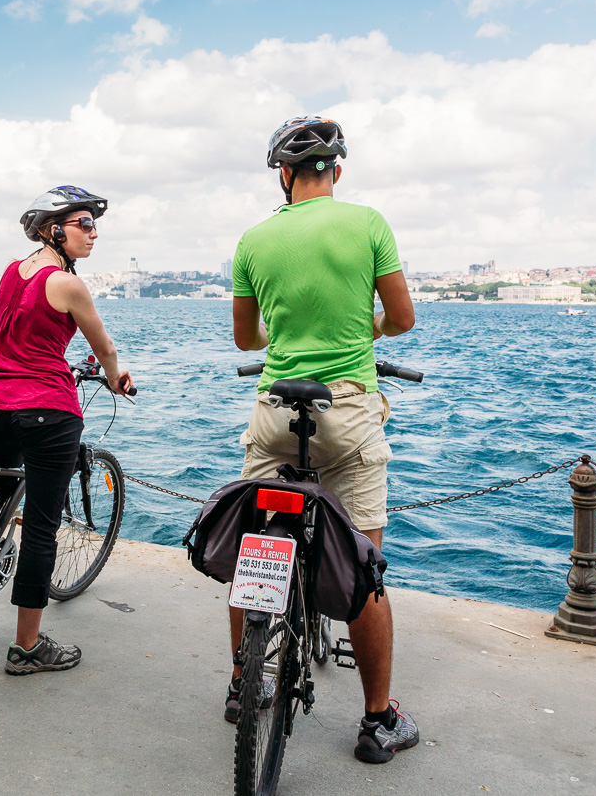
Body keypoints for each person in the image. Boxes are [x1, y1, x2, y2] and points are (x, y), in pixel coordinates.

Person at [228, 117, 418, 763]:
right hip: (347, 409)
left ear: (283, 175)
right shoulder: (367, 224)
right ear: (334, 171)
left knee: (254, 545)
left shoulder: (255, 238)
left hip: (277, 408)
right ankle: (377, 720)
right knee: (364, 565)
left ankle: (241, 682)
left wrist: (281, 337)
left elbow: (245, 339)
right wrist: (365, 330)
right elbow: (403, 317)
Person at [0, 185, 135, 675]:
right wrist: (116, 378)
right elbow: (104, 347)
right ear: (55, 229)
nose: (93, 233)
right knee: (42, 527)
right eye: (83, 224)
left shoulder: (12, 271)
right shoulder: (68, 285)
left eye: (94, 224)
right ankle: (27, 646)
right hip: (47, 410)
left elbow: (21, 333)